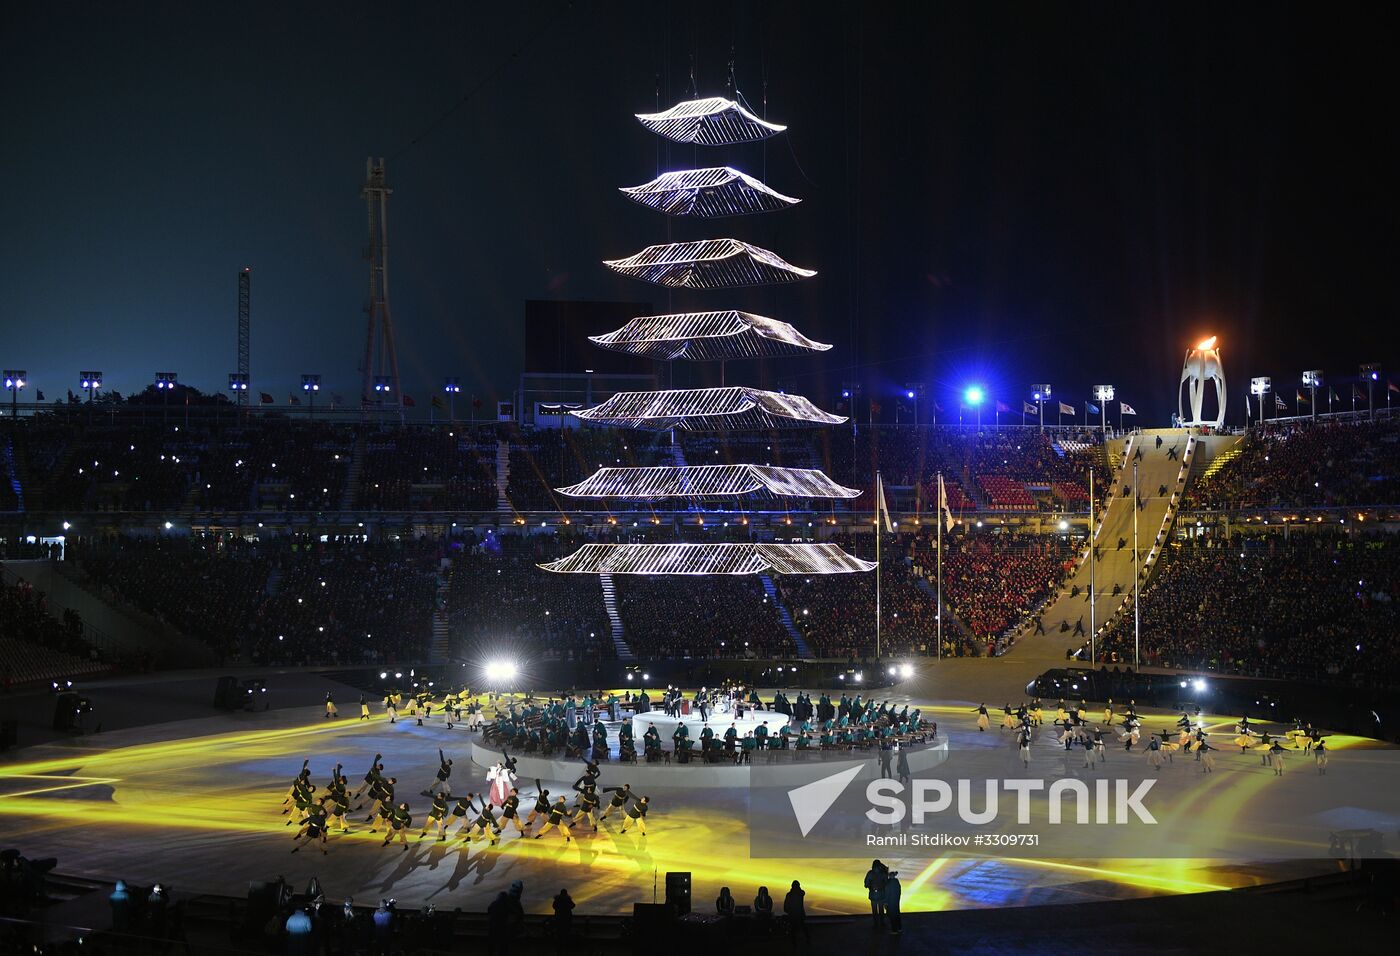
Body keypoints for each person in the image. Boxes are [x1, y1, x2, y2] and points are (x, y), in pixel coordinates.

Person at [864, 859, 888, 929]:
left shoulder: (870, 873)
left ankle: (876, 924)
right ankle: (882, 923)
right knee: (881, 910)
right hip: (881, 894)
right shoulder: (882, 873)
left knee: (875, 911)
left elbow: (866, 884)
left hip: (873, 895)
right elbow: (886, 883)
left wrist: (870, 886)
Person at [884, 870, 903, 935]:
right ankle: (899, 928)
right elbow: (899, 892)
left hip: (890, 902)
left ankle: (894, 930)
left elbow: (887, 893)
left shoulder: (888, 883)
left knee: (892, 916)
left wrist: (885, 902)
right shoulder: (897, 882)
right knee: (897, 914)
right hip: (896, 901)